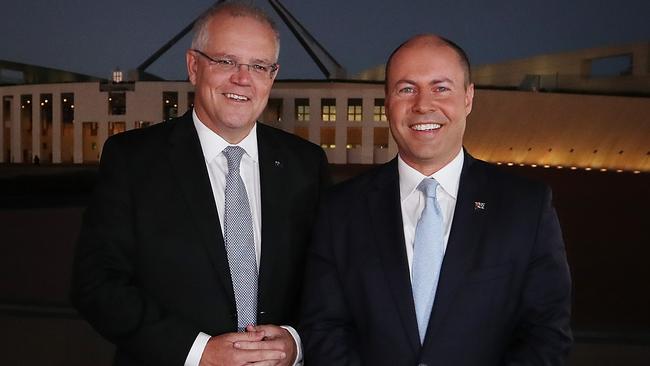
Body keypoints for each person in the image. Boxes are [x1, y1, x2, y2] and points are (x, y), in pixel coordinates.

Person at [71, 3, 329, 366]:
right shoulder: (133, 160)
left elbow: (329, 282)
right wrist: (198, 352)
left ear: (272, 76)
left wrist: (295, 342)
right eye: (226, 61)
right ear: (194, 66)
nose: (243, 78)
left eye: (258, 66)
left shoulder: (306, 164)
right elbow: (96, 284)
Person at [300, 34, 572, 365]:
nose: (423, 104)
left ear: (468, 97)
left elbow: (546, 335)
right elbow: (324, 329)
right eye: (406, 89)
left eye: (440, 88)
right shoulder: (339, 210)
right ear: (387, 101)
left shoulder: (526, 207)